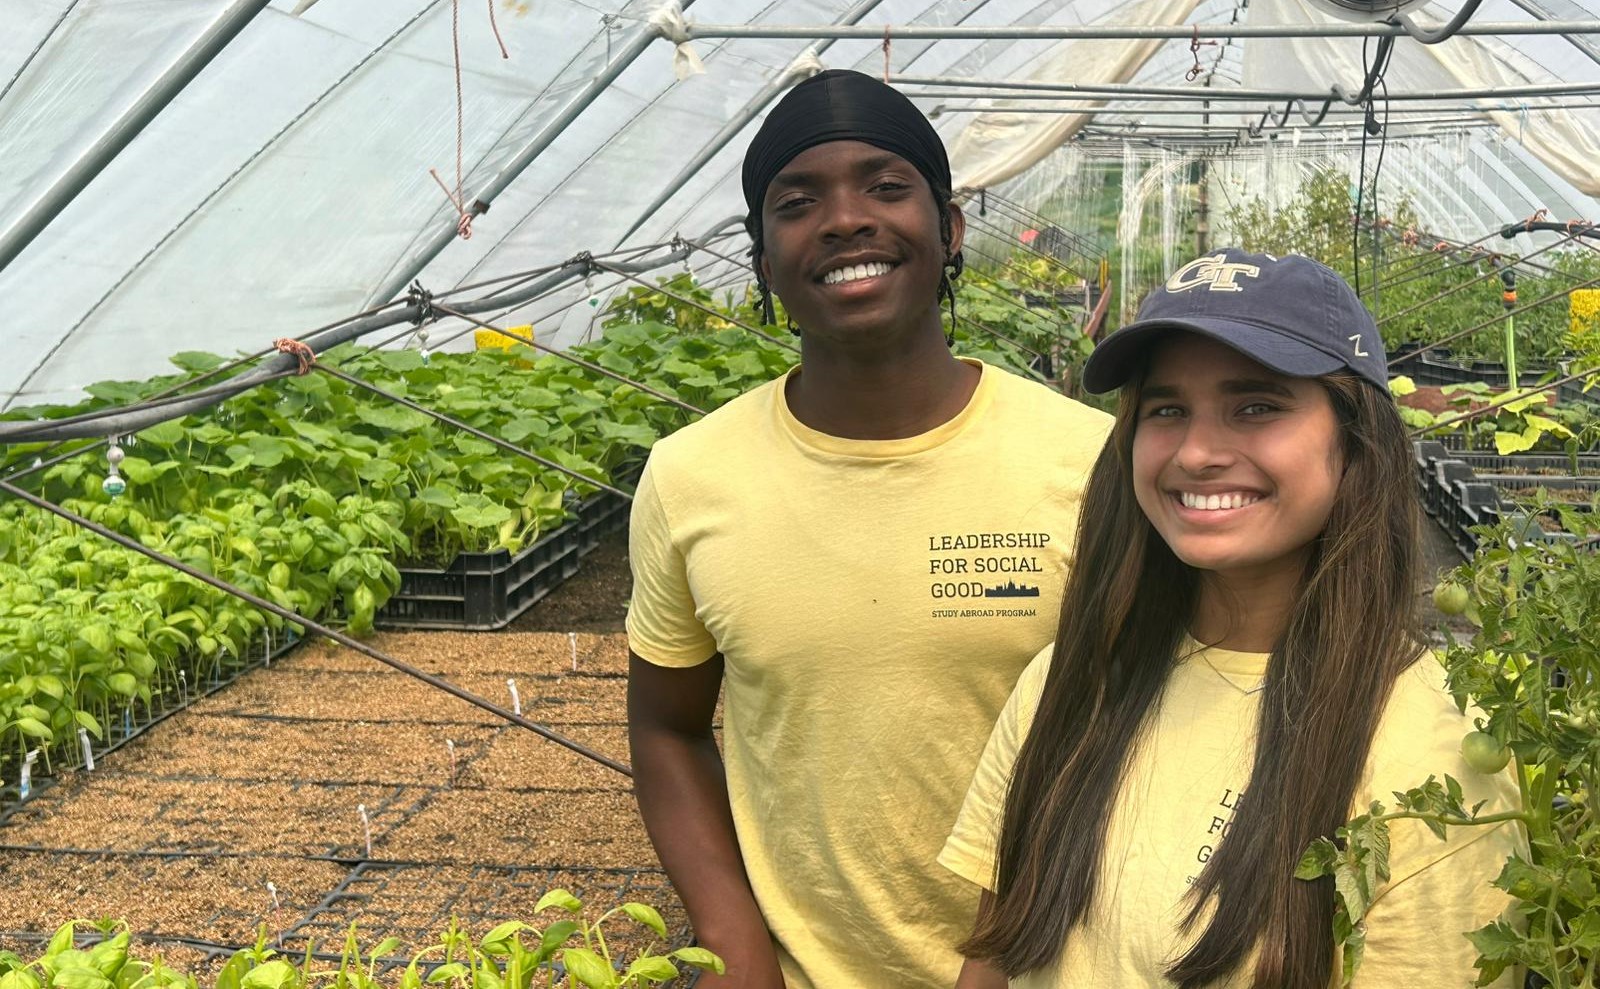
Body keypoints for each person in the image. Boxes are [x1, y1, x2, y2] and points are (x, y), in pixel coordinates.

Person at [624, 69, 1112, 988]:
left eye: (886, 187)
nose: (846, 219)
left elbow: (1136, 727)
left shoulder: (1093, 463)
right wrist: (736, 952)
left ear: (950, 227)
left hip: (1056, 963)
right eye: (797, 202)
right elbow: (667, 729)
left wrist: (1005, 949)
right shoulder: (691, 476)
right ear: (763, 260)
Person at [942, 248, 1525, 988]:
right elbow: (995, 955)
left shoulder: (1430, 756)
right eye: (1166, 409)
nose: (1196, 451)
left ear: (1354, 442)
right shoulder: (1069, 680)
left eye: (1257, 406)